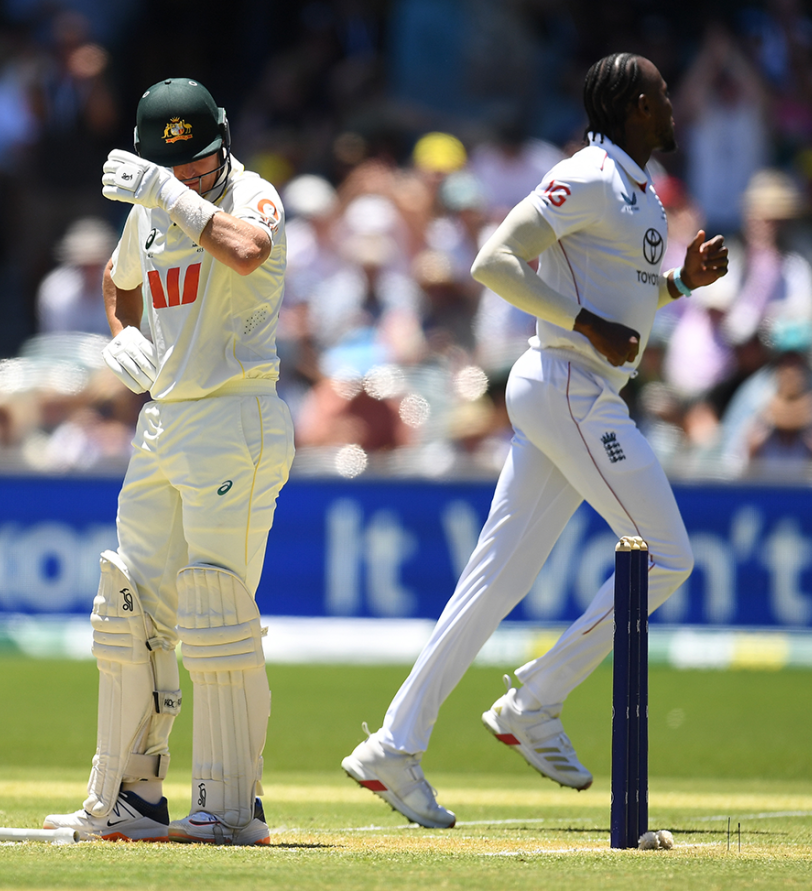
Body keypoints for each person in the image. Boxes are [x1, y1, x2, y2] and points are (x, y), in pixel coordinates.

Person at [341, 52, 729, 828]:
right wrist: (586, 325)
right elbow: (495, 260)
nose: (672, 104)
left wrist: (681, 285)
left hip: (574, 390)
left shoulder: (636, 189)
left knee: (492, 583)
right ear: (631, 108)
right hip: (568, 386)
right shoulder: (586, 174)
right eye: (658, 95)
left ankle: (393, 743)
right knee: (669, 554)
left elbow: (623, 292)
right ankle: (535, 699)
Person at [41, 78, 292, 845]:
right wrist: (121, 335)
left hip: (235, 413)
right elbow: (119, 286)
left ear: (222, 139)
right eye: (171, 169)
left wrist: (166, 192)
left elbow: (247, 252)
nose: (187, 178)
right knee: (130, 608)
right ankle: (130, 795)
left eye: (198, 164)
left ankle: (230, 806)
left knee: (217, 607)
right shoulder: (151, 207)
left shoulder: (256, 196)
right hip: (164, 420)